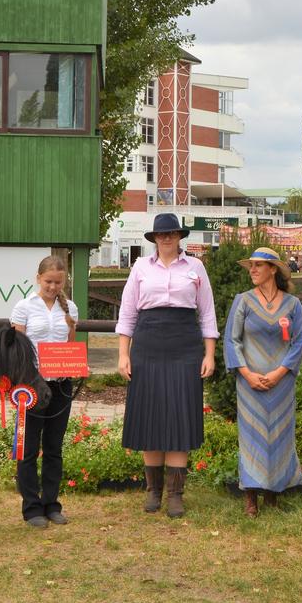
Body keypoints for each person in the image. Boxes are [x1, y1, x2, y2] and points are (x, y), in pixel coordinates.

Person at [116, 213, 218, 518]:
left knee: (179, 415)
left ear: (179, 236)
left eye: (171, 233)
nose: (166, 238)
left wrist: (209, 354)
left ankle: (175, 495)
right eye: (161, 234)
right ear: (154, 238)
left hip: (185, 346)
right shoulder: (140, 268)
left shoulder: (196, 267)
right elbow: (127, 314)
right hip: (146, 346)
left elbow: (208, 314)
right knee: (150, 414)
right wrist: (124, 354)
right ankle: (153, 492)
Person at [224, 247, 302, 517]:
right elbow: (232, 340)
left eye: (259, 265)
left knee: (280, 436)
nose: (253, 270)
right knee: (250, 438)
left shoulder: (293, 305)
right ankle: (250, 497)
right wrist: (247, 374)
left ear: (273, 269)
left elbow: (298, 343)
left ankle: (273, 493)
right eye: (251, 266)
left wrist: (279, 374)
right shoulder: (243, 301)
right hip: (249, 384)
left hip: (281, 385)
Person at [10, 255, 79, 529]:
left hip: (60, 384)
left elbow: (71, 345)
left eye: (58, 282)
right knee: (28, 449)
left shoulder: (70, 307)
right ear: (38, 278)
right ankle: (31, 508)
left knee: (54, 447)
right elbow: (17, 350)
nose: (52, 287)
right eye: (48, 281)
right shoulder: (24, 307)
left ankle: (52, 504)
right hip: (31, 386)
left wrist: (73, 367)